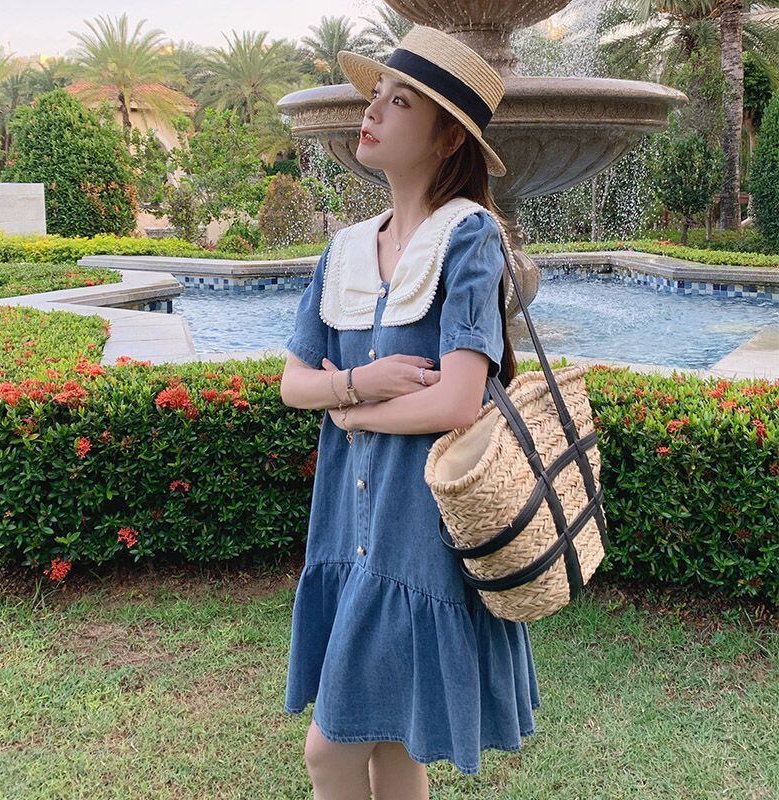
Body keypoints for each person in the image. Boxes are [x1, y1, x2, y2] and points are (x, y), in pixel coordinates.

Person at [280, 24, 540, 800]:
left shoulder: (468, 237)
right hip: (346, 528)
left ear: (446, 136)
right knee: (391, 750)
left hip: (415, 537)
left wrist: (352, 412)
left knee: (330, 752)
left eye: (399, 102)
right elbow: (294, 383)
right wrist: (366, 384)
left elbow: (457, 398)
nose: (372, 112)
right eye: (377, 96)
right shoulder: (345, 250)